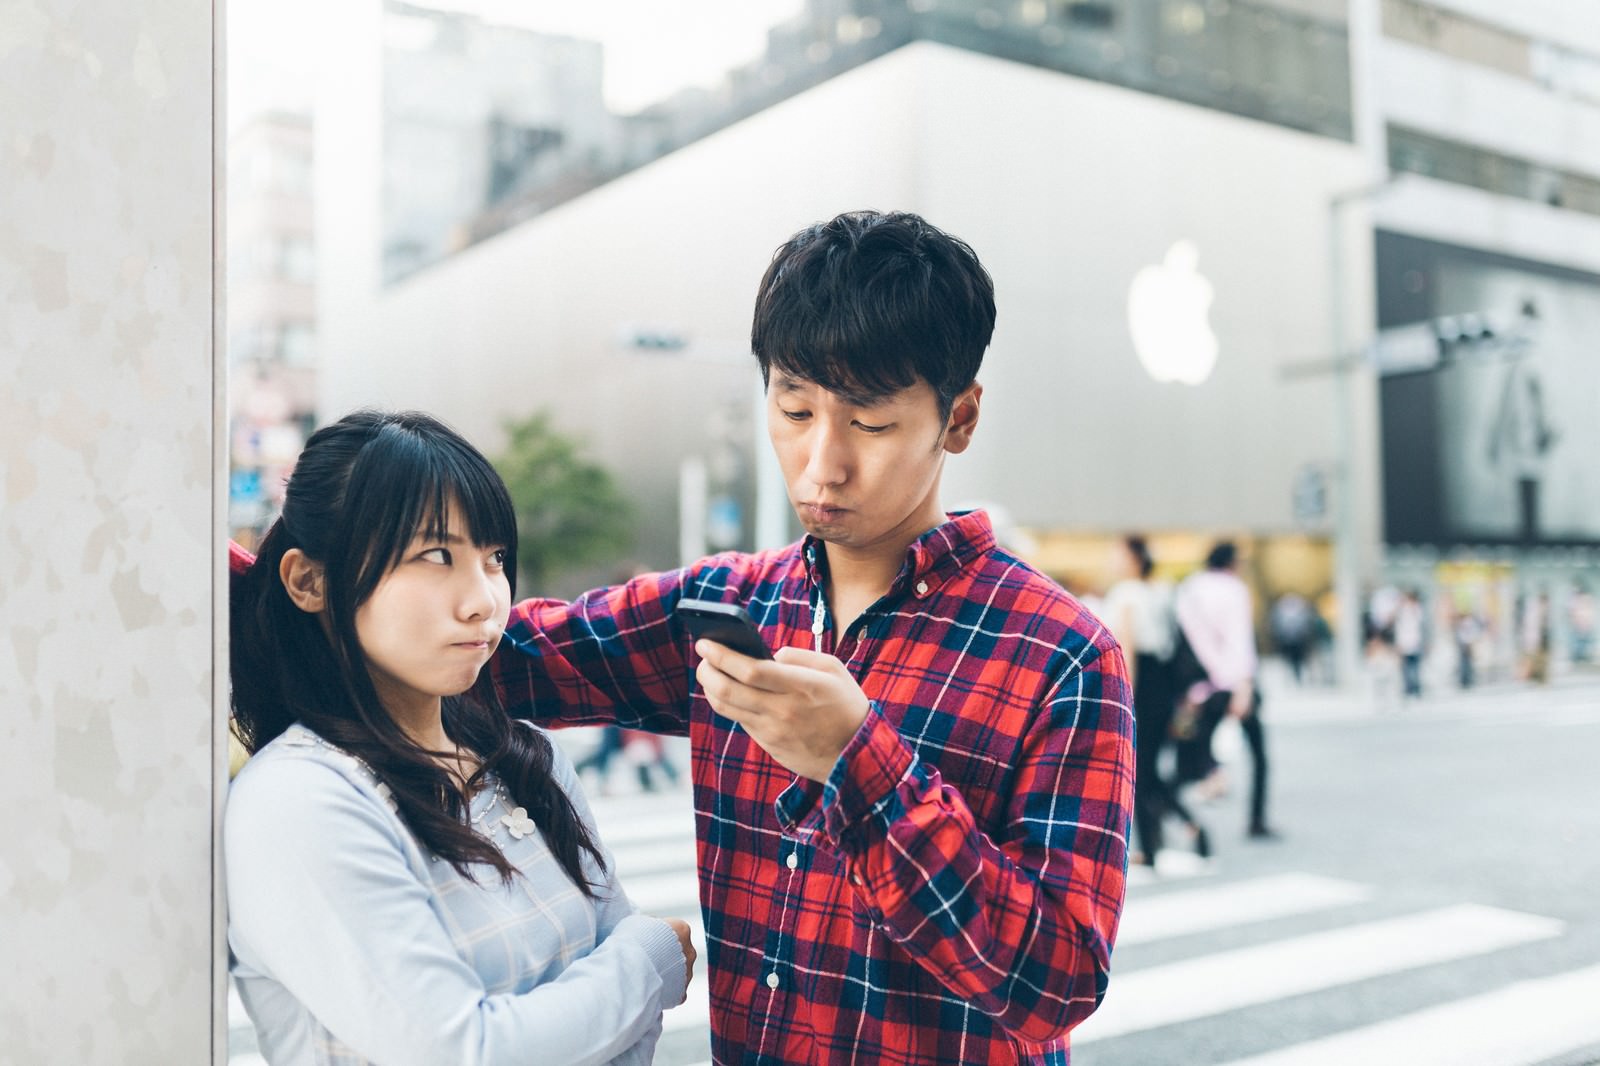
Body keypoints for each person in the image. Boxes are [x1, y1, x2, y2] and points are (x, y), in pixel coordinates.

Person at [485, 211, 1135, 1063]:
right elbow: (505, 660)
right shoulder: (724, 602)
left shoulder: (1063, 656)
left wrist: (858, 762)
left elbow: (1055, 986)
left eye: (869, 424)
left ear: (960, 418)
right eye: (794, 409)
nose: (821, 462)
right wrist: (282, 591)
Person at [226, 410, 694, 1065]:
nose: (482, 601)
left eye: (494, 558)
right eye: (436, 556)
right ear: (310, 581)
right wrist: (649, 962)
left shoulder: (526, 759)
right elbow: (466, 1051)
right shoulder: (301, 801)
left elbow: (627, 1037)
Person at [1102, 535, 1209, 867]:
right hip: (1163, 686)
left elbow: (1127, 645)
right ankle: (1163, 838)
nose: (1114, 561)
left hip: (1142, 684)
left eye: (1118, 554)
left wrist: (1123, 693)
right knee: (1147, 769)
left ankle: (1164, 839)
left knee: (1139, 771)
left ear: (1134, 559)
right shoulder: (1159, 591)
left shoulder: (1127, 593)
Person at [1174, 541, 1277, 840]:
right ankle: (1256, 819)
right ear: (1232, 562)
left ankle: (1181, 816)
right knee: (1259, 755)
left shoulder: (1190, 589)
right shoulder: (1234, 589)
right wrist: (1242, 684)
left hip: (1201, 689)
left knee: (1189, 752)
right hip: (1232, 685)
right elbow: (1239, 640)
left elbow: (1190, 641)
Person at [1394, 588, 1427, 699]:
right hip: (1407, 642)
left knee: (1413, 667)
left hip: (1413, 642)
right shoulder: (1404, 611)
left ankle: (1413, 688)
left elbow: (1420, 628)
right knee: (1408, 667)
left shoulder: (1416, 610)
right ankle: (1410, 688)